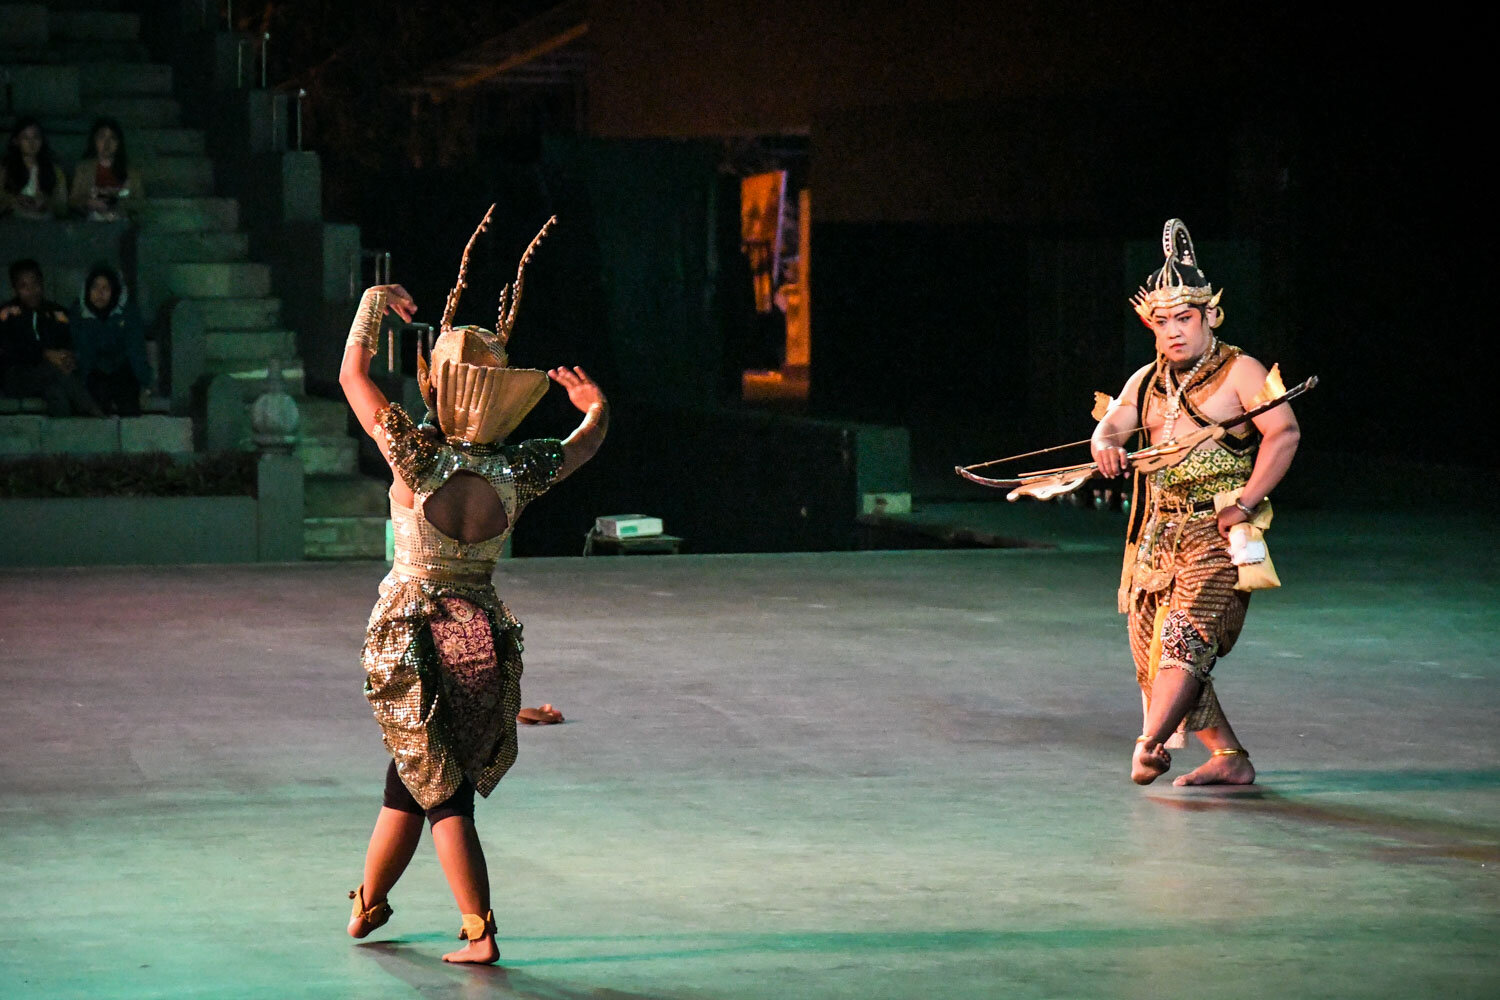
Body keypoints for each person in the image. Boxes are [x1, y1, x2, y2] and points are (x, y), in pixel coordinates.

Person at [338, 211, 607, 964]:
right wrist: (596, 410)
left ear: (444, 387)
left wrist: (370, 305)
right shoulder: (517, 471)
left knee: (441, 787)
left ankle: (480, 929)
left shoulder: (416, 458)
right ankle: (368, 903)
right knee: (413, 772)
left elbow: (352, 377)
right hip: (479, 632)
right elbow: (582, 446)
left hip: (411, 632)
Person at [1090, 220, 1300, 787]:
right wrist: (1107, 446)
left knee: (1188, 637)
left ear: (1211, 316)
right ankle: (1230, 759)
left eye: (1184, 319)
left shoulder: (1241, 371)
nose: (1174, 332)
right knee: (1152, 652)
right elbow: (1108, 429)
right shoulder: (1147, 381)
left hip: (1218, 530)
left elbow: (1283, 433)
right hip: (1158, 537)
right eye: (1162, 322)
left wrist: (1248, 501)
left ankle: (1149, 744)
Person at [1, 259, 104, 416]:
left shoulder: (56, 313)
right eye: (24, 286)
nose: (31, 291)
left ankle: (63, 437)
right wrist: (45, 354)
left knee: (56, 393)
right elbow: (12, 350)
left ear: (42, 284)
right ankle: (94, 411)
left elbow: (71, 340)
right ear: (15, 289)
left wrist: (68, 356)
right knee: (54, 369)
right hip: (18, 378)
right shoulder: (7, 315)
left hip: (50, 378)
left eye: (35, 284)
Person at [71, 263, 152, 415]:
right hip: (92, 373)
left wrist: (145, 384)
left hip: (122, 370)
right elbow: (82, 353)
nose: (99, 293)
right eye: (94, 287)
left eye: (105, 288)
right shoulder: (79, 314)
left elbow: (136, 350)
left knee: (127, 392)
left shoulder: (128, 313)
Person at [69, 118, 145, 222]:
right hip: (92, 222)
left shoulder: (131, 171)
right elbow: (73, 200)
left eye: (112, 138)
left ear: (119, 143)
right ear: (94, 140)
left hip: (121, 221)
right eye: (101, 137)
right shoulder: (83, 168)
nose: (107, 143)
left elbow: (140, 203)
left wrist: (116, 201)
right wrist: (88, 202)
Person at [0, 118, 69, 221]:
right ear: (16, 141)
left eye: (36, 137)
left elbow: (62, 207)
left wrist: (45, 202)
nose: (31, 143)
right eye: (25, 138)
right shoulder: (5, 170)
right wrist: (14, 201)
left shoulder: (55, 171)